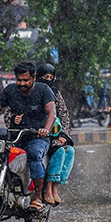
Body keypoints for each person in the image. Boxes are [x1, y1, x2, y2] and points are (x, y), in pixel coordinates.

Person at [0, 62, 57, 211]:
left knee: (34, 154)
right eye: (19, 80)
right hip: (15, 136)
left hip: (37, 137)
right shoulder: (10, 90)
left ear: (34, 78)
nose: (22, 83)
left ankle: (37, 197)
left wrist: (45, 129)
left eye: (26, 80)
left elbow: (51, 113)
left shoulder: (44, 90)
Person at [36, 63, 74, 206]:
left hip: (56, 133)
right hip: (39, 133)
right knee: (58, 151)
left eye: (51, 77)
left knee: (69, 151)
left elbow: (64, 114)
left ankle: (55, 187)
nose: (49, 80)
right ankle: (47, 188)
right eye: (46, 77)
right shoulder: (34, 92)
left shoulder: (55, 93)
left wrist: (63, 134)